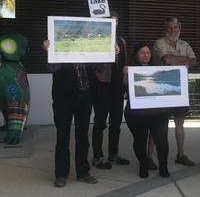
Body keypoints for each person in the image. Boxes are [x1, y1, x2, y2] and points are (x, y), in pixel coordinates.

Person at [42, 40, 98, 188]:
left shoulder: (88, 52)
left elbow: (100, 67)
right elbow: (51, 68)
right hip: (63, 99)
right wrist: (48, 51)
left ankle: (83, 172)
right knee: (62, 136)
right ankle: (61, 174)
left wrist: (111, 51)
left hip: (85, 98)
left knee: (82, 136)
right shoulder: (59, 51)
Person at [152, 17, 197, 167]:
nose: (173, 31)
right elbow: (167, 60)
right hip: (162, 88)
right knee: (157, 124)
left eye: (175, 28)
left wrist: (183, 60)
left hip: (180, 89)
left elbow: (194, 61)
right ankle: (148, 156)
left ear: (180, 28)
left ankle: (180, 154)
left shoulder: (185, 44)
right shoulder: (160, 43)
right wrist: (185, 59)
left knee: (180, 123)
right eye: (170, 28)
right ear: (165, 28)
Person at [123, 43, 170, 179]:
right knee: (140, 140)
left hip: (158, 112)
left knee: (162, 140)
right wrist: (125, 75)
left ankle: (163, 166)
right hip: (137, 113)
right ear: (136, 54)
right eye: (142, 52)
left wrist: (181, 70)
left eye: (148, 53)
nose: (146, 55)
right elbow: (124, 86)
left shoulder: (159, 69)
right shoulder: (129, 69)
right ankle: (143, 165)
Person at [91, 11, 129, 169]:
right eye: (109, 21)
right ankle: (98, 157)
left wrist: (126, 83)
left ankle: (113, 153)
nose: (113, 24)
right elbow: (92, 65)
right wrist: (107, 54)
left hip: (117, 86)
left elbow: (124, 65)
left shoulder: (121, 41)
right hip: (101, 86)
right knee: (100, 122)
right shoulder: (95, 40)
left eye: (115, 21)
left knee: (116, 122)